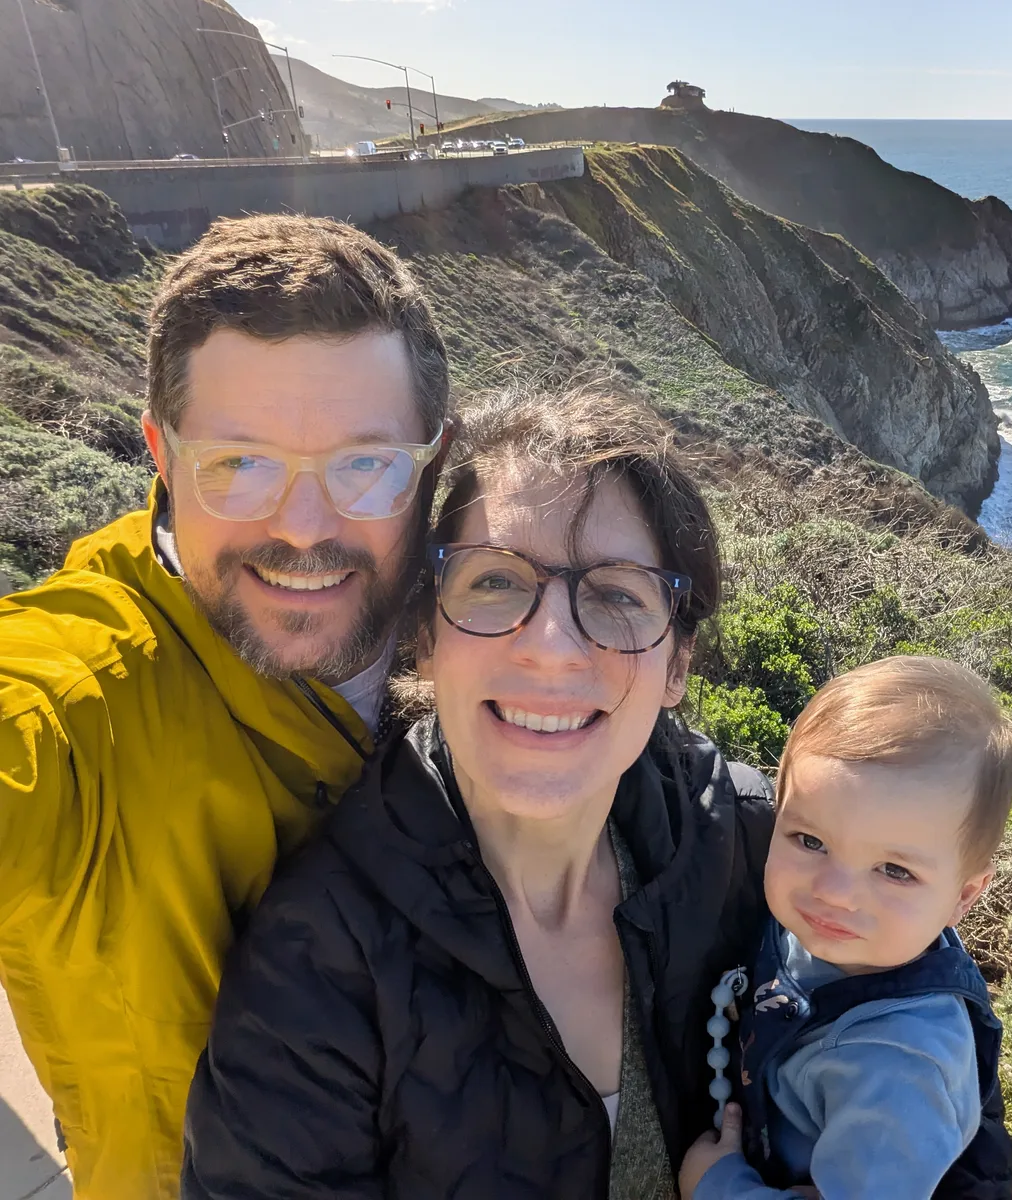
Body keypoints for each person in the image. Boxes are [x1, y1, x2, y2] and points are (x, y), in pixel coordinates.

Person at [181, 386, 776, 1198]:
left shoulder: (752, 844)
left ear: (677, 664)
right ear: (426, 635)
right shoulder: (317, 970)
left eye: (617, 594)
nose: (553, 646)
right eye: (495, 582)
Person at [0, 214, 450, 1199]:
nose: (302, 530)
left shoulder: (496, 640)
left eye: (364, 463)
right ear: (162, 455)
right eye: (237, 463)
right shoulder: (84, 697)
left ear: (430, 463)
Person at [680, 656, 1012, 1200]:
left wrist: (720, 1187)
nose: (833, 891)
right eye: (809, 841)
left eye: (894, 871)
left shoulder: (900, 1072)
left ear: (962, 896)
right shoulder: (854, 934)